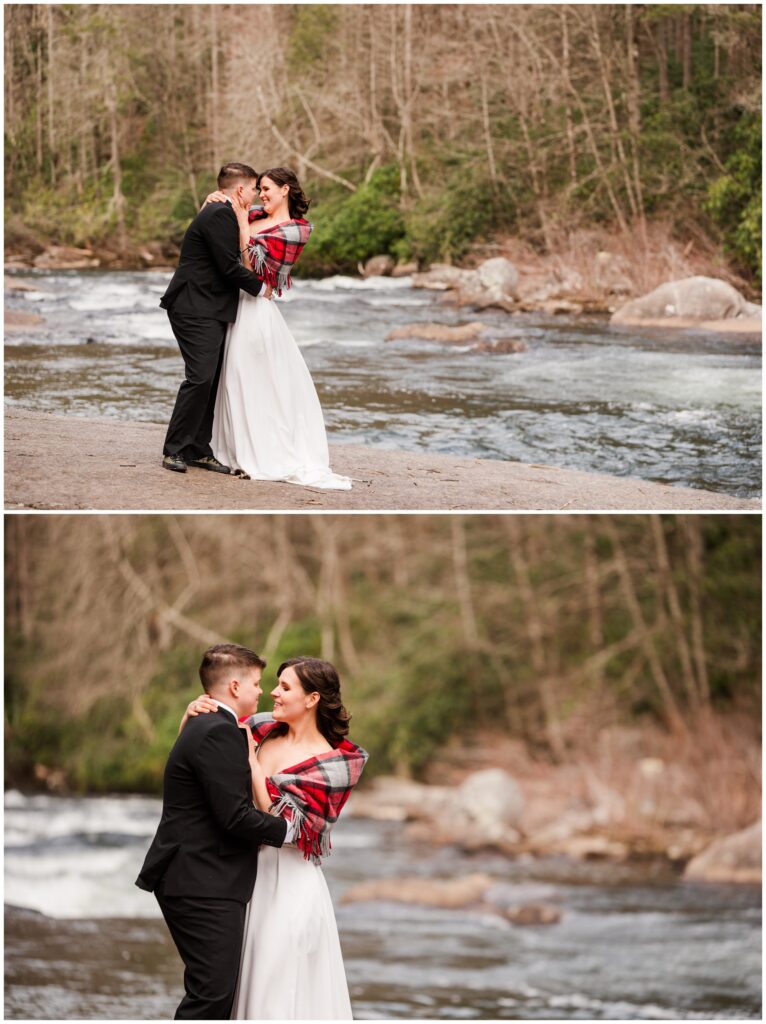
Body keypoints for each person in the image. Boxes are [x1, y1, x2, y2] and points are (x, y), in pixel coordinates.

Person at [183, 656, 368, 1019]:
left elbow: (286, 830)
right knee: (234, 986)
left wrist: (252, 764)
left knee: (278, 986)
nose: (273, 692)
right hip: (240, 877)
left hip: (290, 885)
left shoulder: (332, 763)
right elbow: (200, 761)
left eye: (285, 687)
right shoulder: (258, 728)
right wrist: (193, 715)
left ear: (312, 699)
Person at [135, 644, 288, 1019]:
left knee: (214, 993)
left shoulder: (212, 726)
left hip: (202, 877)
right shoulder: (216, 731)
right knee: (211, 996)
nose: (261, 691)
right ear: (234, 686)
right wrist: (292, 829)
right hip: (201, 882)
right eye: (256, 682)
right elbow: (234, 817)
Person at [204, 167, 352, 489]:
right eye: (259, 189)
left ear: (285, 190)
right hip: (229, 305)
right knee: (231, 380)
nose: (262, 194)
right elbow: (213, 238)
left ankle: (261, 451)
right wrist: (213, 202)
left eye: (268, 189)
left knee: (253, 379)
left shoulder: (296, 229)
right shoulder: (251, 212)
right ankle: (225, 449)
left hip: (256, 310)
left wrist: (242, 225)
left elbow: (253, 270)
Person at [160, 163, 264, 476]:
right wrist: (262, 288)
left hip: (209, 307)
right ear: (241, 189)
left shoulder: (225, 212)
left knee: (212, 381)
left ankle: (198, 450)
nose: (258, 194)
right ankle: (174, 449)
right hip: (193, 307)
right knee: (200, 378)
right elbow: (228, 267)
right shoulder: (219, 214)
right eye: (255, 188)